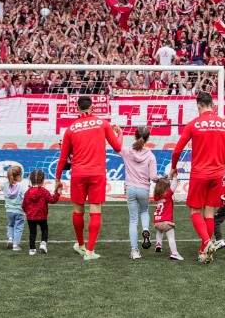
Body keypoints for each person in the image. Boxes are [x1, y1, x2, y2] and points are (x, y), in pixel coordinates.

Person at [169, 91, 225, 263]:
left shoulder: (193, 124)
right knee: (210, 213)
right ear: (213, 105)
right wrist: (218, 153)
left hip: (200, 174)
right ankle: (202, 252)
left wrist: (174, 167)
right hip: (218, 173)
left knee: (194, 211)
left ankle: (206, 242)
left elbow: (177, 150)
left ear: (198, 106)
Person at [55, 95, 122, 262]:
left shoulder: (71, 129)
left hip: (78, 174)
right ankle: (90, 251)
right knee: (95, 210)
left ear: (77, 108)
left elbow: (62, 158)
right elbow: (117, 147)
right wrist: (119, 133)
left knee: (78, 211)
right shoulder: (103, 123)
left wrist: (57, 179)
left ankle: (81, 246)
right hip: (97, 173)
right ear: (92, 107)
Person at [121, 126, 157, 259]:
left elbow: (116, 146)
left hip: (131, 188)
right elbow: (153, 177)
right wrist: (161, 178)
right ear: (148, 138)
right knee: (144, 211)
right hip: (144, 189)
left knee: (133, 220)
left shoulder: (127, 151)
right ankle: (145, 229)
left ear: (135, 136)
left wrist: (119, 133)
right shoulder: (151, 156)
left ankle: (134, 251)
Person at [22, 169, 58, 255]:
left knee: (32, 232)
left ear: (31, 180)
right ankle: (43, 243)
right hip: (42, 216)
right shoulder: (44, 191)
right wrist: (58, 193)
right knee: (44, 229)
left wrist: (28, 212)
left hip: (31, 217)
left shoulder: (27, 192)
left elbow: (24, 205)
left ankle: (32, 249)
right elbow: (52, 200)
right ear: (42, 180)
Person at [150, 176, 182, 260]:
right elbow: (173, 187)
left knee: (159, 231)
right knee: (171, 238)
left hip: (157, 221)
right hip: (166, 221)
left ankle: (158, 244)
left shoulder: (156, 196)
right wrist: (174, 178)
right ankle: (174, 253)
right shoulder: (167, 195)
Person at [3, 164, 26, 252]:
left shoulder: (5, 185)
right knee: (18, 227)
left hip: (9, 211)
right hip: (20, 211)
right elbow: (25, 199)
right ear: (19, 176)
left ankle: (10, 239)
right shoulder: (22, 186)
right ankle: (16, 244)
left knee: (10, 225)